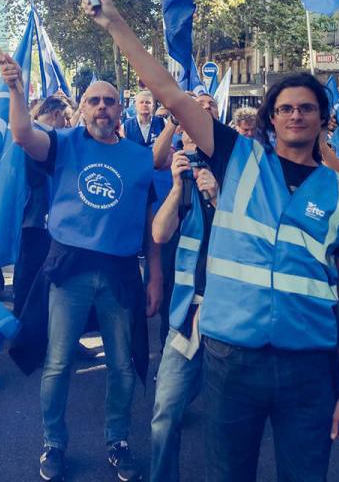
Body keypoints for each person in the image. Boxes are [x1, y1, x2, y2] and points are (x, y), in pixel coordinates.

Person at [87, 0, 339, 482]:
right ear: (271, 119)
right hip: (231, 358)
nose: (296, 115)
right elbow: (169, 93)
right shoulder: (238, 156)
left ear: (323, 118)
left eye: (306, 108)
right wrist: (115, 24)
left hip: (309, 366)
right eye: (285, 109)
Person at [3, 54, 162, 482]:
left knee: (123, 364)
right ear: (81, 108)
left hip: (121, 273)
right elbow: (22, 133)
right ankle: (53, 442)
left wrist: (156, 277)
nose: (102, 108)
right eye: (93, 101)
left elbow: (149, 223)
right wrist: (17, 89)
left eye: (109, 101)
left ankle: (118, 440)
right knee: (57, 363)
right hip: (68, 268)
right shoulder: (64, 143)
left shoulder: (139, 157)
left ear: (121, 109)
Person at [149, 138, 219, 482]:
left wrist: (219, 199)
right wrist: (178, 188)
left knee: (227, 422)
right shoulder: (185, 184)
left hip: (232, 319)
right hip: (188, 317)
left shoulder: (240, 177)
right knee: (166, 411)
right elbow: (160, 233)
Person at [14, 96, 69, 317]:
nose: (67, 123)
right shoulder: (38, 137)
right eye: (65, 118)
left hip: (38, 215)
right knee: (31, 275)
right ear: (55, 115)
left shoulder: (41, 132)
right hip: (36, 216)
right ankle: (24, 329)